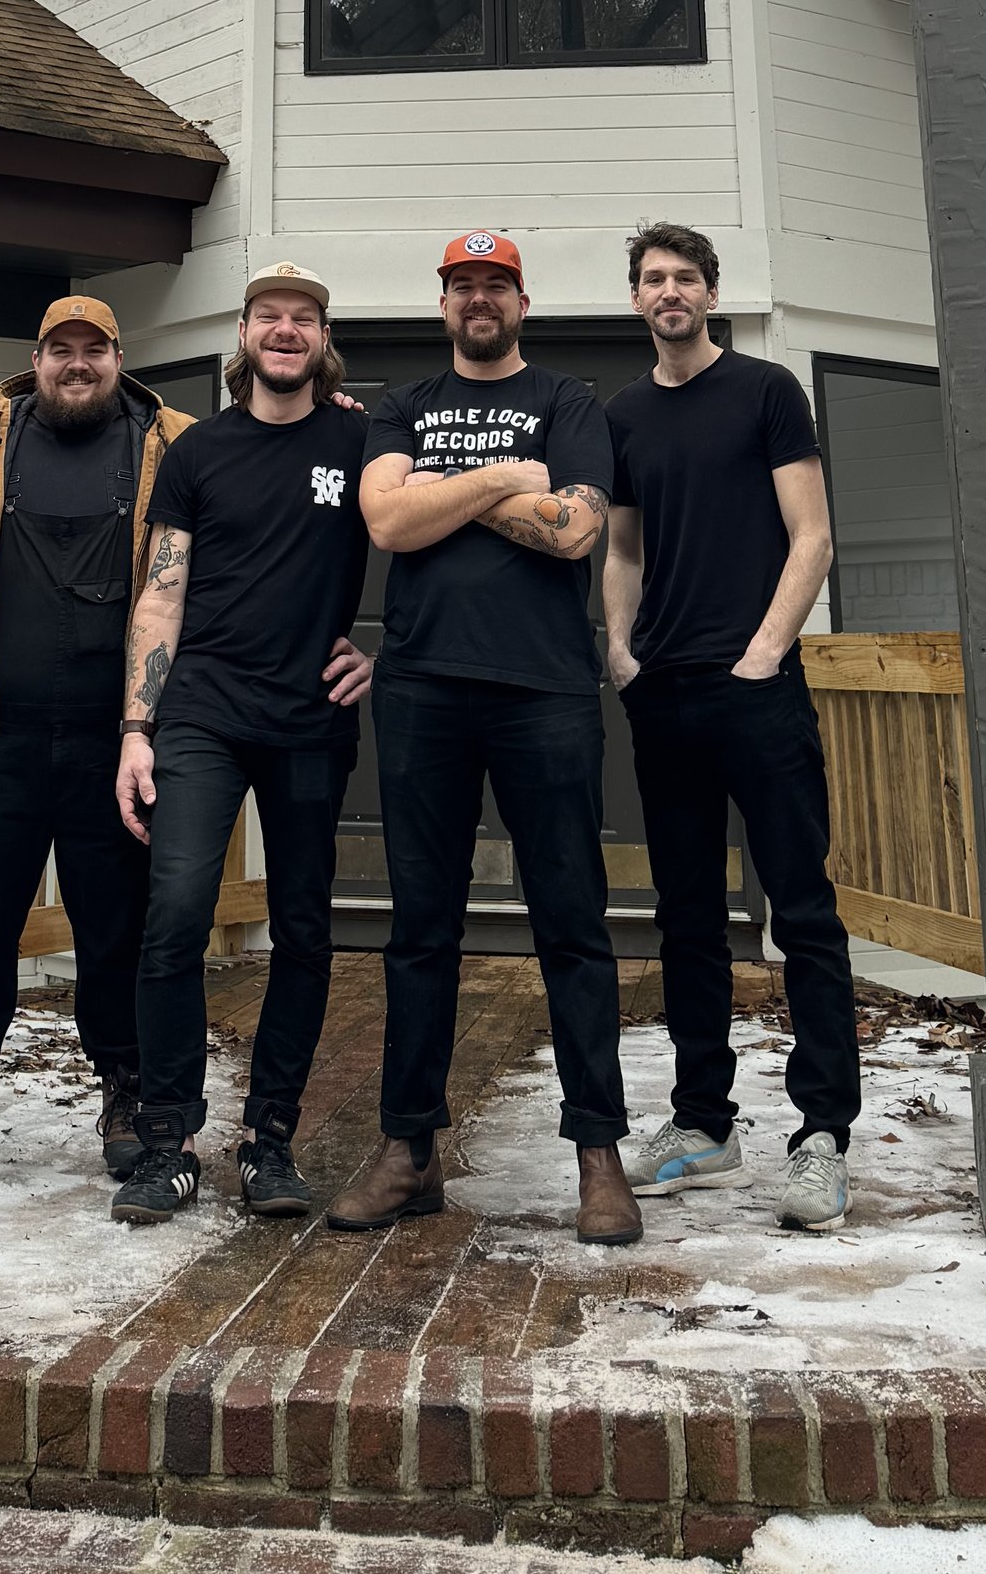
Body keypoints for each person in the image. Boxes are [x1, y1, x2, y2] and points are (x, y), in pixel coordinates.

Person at [329, 230, 641, 1249]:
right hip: (421, 692)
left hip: (544, 691)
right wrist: (511, 476)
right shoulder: (401, 404)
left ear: (520, 300)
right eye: (462, 285)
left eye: (493, 285)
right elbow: (384, 523)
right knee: (421, 930)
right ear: (443, 303)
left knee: (572, 924)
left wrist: (444, 496)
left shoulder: (572, 399)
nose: (478, 300)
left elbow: (577, 530)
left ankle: (597, 1152)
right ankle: (407, 1151)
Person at [0, 297, 196, 1182]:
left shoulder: (175, 437)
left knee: (117, 927)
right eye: (62, 350)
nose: (77, 364)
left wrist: (338, 417)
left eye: (94, 349)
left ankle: (125, 1090)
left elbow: (266, 479)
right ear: (36, 358)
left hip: (120, 743)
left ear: (118, 358)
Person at [603, 222, 855, 1233]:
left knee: (800, 912)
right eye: (654, 279)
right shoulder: (622, 414)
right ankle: (703, 1125)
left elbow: (814, 535)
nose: (671, 292)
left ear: (709, 293)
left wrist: (763, 651)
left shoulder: (764, 392)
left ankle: (821, 1135)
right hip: (659, 694)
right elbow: (621, 550)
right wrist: (617, 648)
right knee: (687, 919)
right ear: (637, 300)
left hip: (756, 690)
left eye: (686, 278)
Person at [111, 263, 373, 1227]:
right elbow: (161, 592)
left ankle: (270, 1139)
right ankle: (168, 1140)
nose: (286, 328)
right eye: (270, 314)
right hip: (203, 715)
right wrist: (137, 726)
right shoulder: (196, 451)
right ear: (245, 333)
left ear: (322, 336)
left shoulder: (360, 436)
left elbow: (430, 552)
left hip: (311, 718)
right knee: (176, 912)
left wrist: (380, 654)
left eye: (305, 316)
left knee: (304, 928)